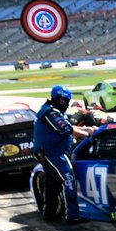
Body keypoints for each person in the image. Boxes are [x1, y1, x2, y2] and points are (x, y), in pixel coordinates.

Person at [33, 85, 94, 223]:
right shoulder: (50, 113)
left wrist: (87, 129)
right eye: (64, 101)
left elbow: (69, 126)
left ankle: (49, 213)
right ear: (57, 99)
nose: (66, 104)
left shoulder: (49, 110)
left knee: (53, 183)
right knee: (69, 180)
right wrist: (88, 135)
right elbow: (67, 129)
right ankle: (73, 215)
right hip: (53, 153)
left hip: (49, 151)